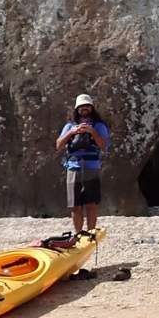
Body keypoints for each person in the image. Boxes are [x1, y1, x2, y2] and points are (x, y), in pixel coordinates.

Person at [55, 94, 110, 233]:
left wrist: (92, 131)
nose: (84, 108)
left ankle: (91, 234)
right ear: (77, 109)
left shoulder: (99, 126)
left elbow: (104, 146)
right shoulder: (69, 126)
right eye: (81, 106)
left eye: (87, 106)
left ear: (92, 108)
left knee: (91, 204)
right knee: (75, 205)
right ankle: (78, 234)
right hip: (73, 168)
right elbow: (59, 145)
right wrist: (71, 132)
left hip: (92, 167)